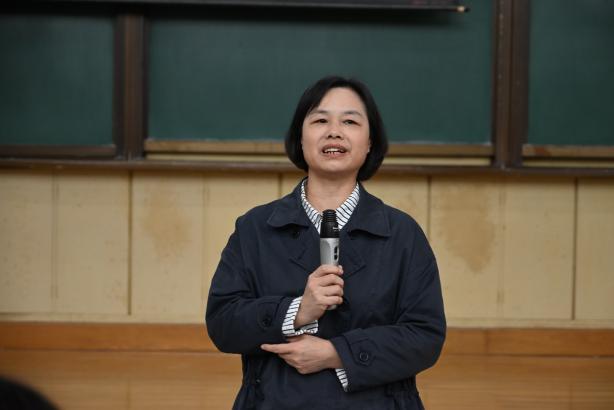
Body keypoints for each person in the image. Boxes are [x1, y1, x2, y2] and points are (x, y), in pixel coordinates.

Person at [206, 76, 445, 409]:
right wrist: (296, 312)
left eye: (350, 121)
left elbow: (425, 336)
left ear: (370, 142)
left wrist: (337, 354)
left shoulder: (403, 233)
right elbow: (223, 324)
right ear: (300, 139)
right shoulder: (254, 228)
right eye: (320, 120)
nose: (334, 131)